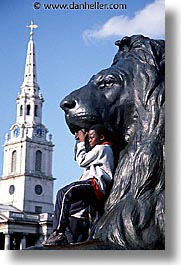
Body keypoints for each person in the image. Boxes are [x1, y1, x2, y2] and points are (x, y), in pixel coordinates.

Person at [42, 124, 114, 246]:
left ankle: (58, 232)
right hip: (93, 189)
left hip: (94, 185)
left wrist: (81, 141)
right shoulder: (101, 152)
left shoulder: (103, 148)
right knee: (72, 212)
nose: (89, 140)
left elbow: (81, 160)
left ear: (101, 137)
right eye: (88, 137)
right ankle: (72, 237)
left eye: (92, 137)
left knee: (63, 193)